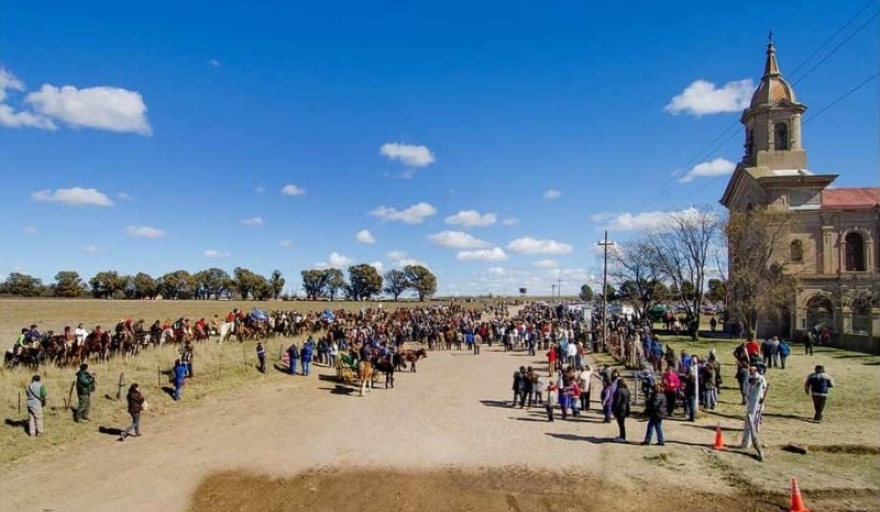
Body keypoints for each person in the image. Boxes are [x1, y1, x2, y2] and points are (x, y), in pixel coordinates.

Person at [739, 366, 768, 462]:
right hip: (750, 399)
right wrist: (746, 395)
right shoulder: (748, 378)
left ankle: (756, 428)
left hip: (757, 400)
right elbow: (746, 386)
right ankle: (748, 437)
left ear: (755, 371)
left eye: (752, 370)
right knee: (749, 416)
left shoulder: (760, 378)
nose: (750, 371)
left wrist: (761, 397)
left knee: (757, 416)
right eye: (750, 370)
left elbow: (763, 387)